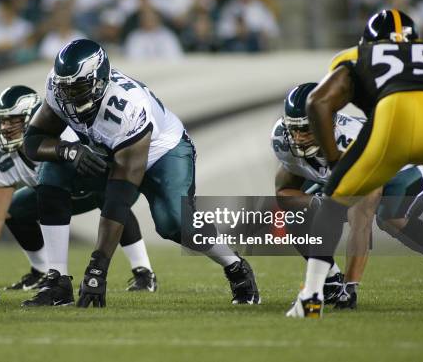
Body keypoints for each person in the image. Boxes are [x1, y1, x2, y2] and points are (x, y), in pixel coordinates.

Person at [24, 39, 260, 308]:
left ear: (99, 81)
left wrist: (97, 268)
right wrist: (69, 151)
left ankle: (235, 266)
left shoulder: (128, 106)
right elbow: (34, 141)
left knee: (174, 222)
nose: (70, 96)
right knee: (53, 167)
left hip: (163, 153)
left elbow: (120, 196)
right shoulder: (58, 87)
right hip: (111, 149)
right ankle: (58, 281)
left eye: (78, 88)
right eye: (65, 89)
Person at [287, 9, 423, 318]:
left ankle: (311, 297)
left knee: (335, 201)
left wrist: (335, 160)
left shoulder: (356, 55)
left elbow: (318, 101)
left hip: (396, 118)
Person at [0, 85, 158, 305]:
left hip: (94, 183)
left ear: (32, 117)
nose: (6, 127)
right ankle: (42, 272)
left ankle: (144, 272)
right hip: (53, 196)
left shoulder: (65, 132)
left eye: (14, 121)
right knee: (14, 209)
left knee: (109, 195)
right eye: (3, 121)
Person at [273, 83, 423, 310]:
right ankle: (329, 281)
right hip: (344, 175)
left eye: (306, 129)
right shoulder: (282, 139)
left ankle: (344, 285)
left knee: (389, 217)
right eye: (293, 129)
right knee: (297, 216)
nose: (298, 138)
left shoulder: (353, 143)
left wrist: (351, 287)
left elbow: (362, 220)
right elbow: (284, 191)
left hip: (399, 170)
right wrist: (318, 204)